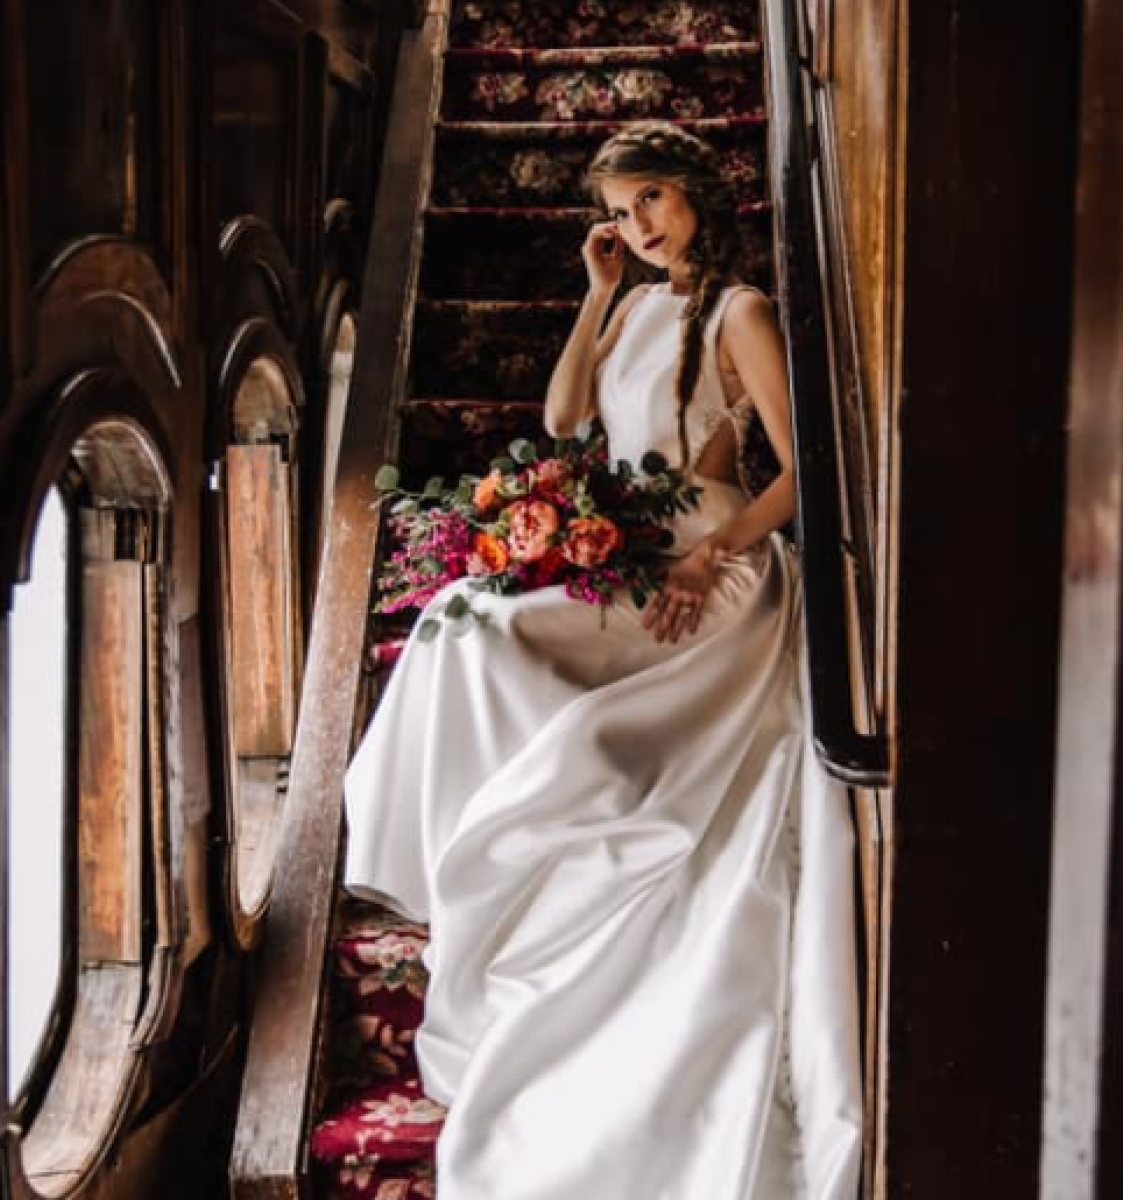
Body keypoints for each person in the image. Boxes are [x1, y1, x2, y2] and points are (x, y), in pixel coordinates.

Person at [343, 120, 863, 1199]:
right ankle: (485, 863)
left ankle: (563, 823)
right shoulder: (630, 302)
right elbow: (563, 417)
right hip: (630, 543)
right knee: (455, 621)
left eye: (652, 199)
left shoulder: (740, 309)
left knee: (487, 632)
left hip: (712, 560)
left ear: (698, 192)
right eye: (622, 211)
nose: (639, 224)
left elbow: (803, 470)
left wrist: (714, 553)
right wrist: (597, 292)